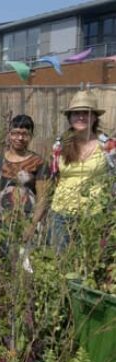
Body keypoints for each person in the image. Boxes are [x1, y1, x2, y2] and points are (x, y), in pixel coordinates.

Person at [44, 90, 114, 248]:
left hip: (95, 213)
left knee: (90, 261)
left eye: (86, 113)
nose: (81, 117)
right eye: (76, 113)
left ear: (94, 117)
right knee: (61, 260)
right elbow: (53, 177)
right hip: (61, 212)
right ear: (69, 118)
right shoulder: (60, 145)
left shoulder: (107, 145)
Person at [0, 115, 47, 219]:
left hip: (27, 219)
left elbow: (42, 199)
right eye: (16, 133)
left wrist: (32, 227)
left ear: (31, 136)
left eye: (25, 134)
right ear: (9, 134)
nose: (20, 138)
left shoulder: (38, 163)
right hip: (0, 219)